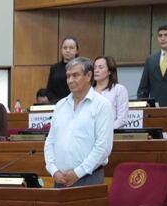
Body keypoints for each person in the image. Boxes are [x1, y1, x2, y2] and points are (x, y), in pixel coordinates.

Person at [44, 57, 114, 187]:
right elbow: (50, 142)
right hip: (60, 179)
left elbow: (103, 147)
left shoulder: (102, 105)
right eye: (68, 76)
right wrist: (53, 170)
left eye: (75, 75)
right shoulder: (60, 105)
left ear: (88, 76)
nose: (70, 80)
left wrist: (78, 173)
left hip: (88, 178)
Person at [93, 56, 129, 129]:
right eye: (95, 67)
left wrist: (104, 130)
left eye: (100, 67)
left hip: (110, 135)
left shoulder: (119, 89)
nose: (96, 70)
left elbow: (122, 119)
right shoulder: (89, 91)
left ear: (109, 71)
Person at [45, 37, 79, 103]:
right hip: (57, 104)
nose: (67, 50)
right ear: (61, 50)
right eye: (65, 48)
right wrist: (58, 102)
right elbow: (49, 90)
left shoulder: (82, 67)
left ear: (77, 51)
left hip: (77, 103)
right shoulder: (54, 68)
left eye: (71, 48)